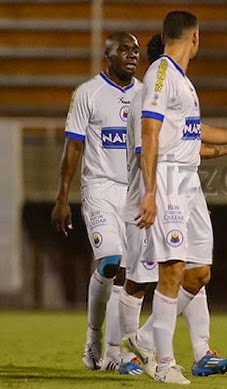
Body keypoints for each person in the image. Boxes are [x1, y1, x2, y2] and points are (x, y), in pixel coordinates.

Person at [133, 11, 227, 384]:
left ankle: (145, 338)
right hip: (167, 180)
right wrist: (149, 192)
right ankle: (164, 363)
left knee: (198, 272)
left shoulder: (182, 81)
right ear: (196, 38)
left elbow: (195, 133)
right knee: (172, 268)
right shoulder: (161, 73)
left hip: (188, 182)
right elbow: (149, 133)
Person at [51, 32, 142, 374]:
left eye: (136, 50)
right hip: (100, 188)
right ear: (108, 55)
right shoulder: (88, 93)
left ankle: (115, 354)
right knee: (111, 262)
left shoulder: (146, 93)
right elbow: (72, 147)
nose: (132, 55)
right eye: (124, 49)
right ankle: (94, 338)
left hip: (134, 192)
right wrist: (62, 198)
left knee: (130, 273)